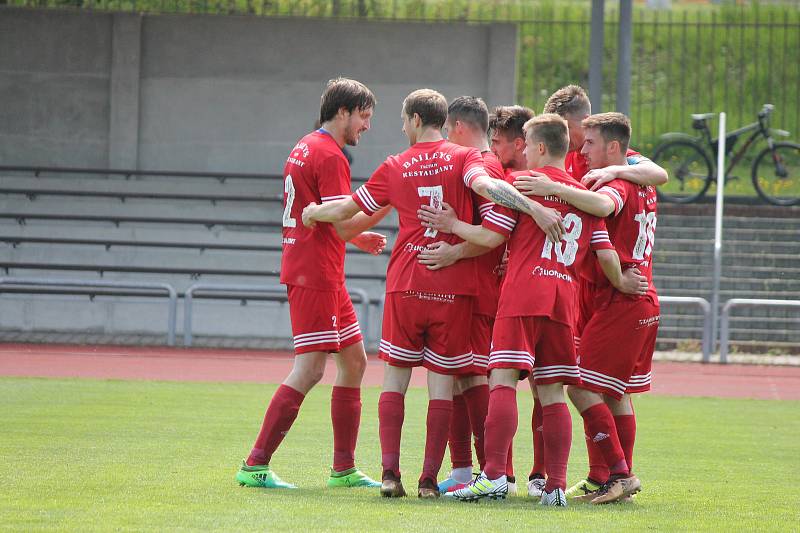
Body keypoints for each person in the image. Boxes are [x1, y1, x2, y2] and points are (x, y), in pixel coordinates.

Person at [302, 88, 565, 499]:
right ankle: (430, 480)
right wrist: (534, 208)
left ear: (414, 119)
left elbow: (346, 211)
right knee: (444, 384)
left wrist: (312, 211)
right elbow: (493, 203)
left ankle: (391, 474)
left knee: (395, 380)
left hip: (407, 282)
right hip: (452, 287)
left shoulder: (395, 164)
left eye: (403, 121)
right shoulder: (466, 160)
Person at [418, 114, 646, 506]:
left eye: (525, 141)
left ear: (540, 147)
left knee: (503, 380)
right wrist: (623, 281)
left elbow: (491, 236)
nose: (521, 149)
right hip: (564, 300)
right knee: (554, 391)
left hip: (523, 294)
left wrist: (454, 225)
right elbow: (605, 252)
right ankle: (555, 487)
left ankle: (492, 477)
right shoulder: (584, 195)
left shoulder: (524, 187)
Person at [236, 78, 390, 490]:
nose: (367, 126)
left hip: (320, 271)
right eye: (364, 116)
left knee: (355, 362)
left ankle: (343, 469)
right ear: (344, 112)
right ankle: (255, 464)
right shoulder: (330, 156)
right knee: (309, 369)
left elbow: (325, 219)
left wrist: (357, 236)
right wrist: (390, 199)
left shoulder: (306, 144)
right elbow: (340, 223)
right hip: (315, 273)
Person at [516, 112, 659, 504]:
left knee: (577, 385)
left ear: (614, 147)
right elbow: (655, 175)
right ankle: (613, 480)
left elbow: (601, 206)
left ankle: (618, 473)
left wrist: (552, 189)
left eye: (591, 142)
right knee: (617, 393)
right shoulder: (641, 179)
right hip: (639, 299)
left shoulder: (615, 183)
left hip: (622, 300)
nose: (584, 149)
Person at [426, 96, 514, 495]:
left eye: (447, 130)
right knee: (462, 376)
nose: (445, 138)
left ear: (458, 127)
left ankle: (498, 474)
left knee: (475, 376)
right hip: (470, 287)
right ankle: (465, 471)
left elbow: (495, 235)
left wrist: (454, 243)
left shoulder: (483, 165)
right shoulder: (476, 163)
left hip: (480, 290)